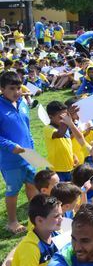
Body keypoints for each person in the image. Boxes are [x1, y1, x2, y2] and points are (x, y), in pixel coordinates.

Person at [0, 71, 38, 234]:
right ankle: (12, 222)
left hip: (29, 155)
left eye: (19, 87)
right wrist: (10, 146)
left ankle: (36, 216)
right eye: (12, 88)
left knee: (33, 185)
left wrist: (31, 143)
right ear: (2, 89)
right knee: (13, 191)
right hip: (10, 159)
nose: (17, 92)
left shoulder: (23, 103)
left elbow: (26, 127)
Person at [10, 194, 62, 266]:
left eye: (61, 214)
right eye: (56, 216)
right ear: (39, 220)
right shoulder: (31, 247)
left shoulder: (56, 234)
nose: (61, 219)